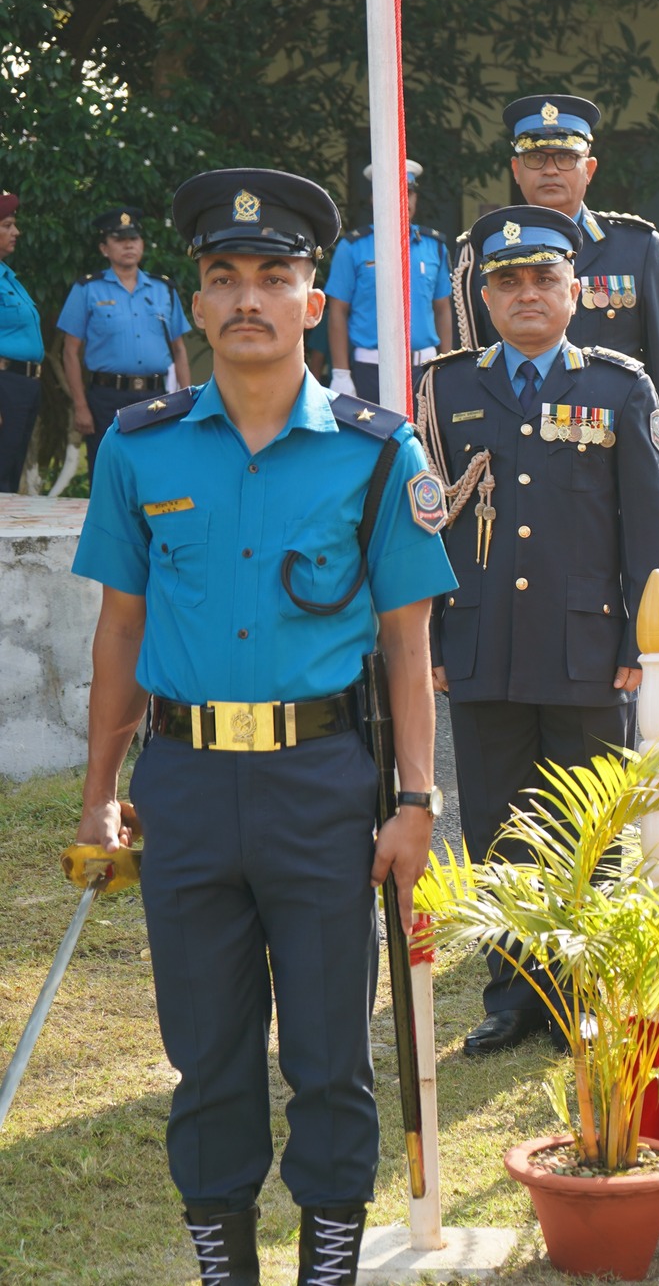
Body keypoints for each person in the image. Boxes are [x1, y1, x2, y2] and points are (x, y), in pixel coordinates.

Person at [69, 168, 456, 1286]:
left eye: (274, 277)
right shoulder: (141, 450)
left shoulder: (381, 452)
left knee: (330, 1057)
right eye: (224, 277)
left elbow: (405, 643)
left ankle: (325, 1270)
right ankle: (224, 1270)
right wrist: (102, 790)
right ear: (193, 304)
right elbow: (118, 634)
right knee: (208, 1058)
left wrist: (416, 801)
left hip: (324, 786)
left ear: (313, 301)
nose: (248, 297)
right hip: (184, 787)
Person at [418, 204, 659, 1055]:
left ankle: (584, 989)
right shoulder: (446, 387)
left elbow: (648, 526)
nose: (526, 294)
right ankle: (514, 992)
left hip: (589, 648)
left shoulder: (618, 385)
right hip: (482, 641)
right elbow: (424, 527)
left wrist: (644, 644)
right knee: (496, 821)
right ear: (486, 297)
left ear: (576, 291)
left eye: (543, 279)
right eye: (508, 281)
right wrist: (428, 643)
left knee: (586, 826)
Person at [451, 95, 659, 524]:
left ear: (589, 168)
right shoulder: (478, 256)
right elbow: (468, 370)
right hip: (508, 474)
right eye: (536, 157)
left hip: (611, 468)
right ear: (515, 170)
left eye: (565, 157)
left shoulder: (637, 248)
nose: (549, 169)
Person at [56, 207, 193, 468]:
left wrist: (185, 399)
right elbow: (70, 351)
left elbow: (179, 349)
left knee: (155, 468)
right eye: (119, 240)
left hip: (156, 397)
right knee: (107, 468)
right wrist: (80, 405)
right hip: (106, 397)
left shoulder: (164, 289)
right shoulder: (87, 289)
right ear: (104, 249)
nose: (128, 245)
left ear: (142, 244)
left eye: (134, 239)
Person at [323, 158, 453, 411]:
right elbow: (337, 311)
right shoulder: (353, 247)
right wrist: (341, 373)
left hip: (425, 369)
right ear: (374, 199)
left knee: (427, 446)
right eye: (392, 192)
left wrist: (446, 365)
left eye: (409, 193)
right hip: (370, 370)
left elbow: (443, 309)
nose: (402, 200)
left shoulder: (434, 246)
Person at [0, 192, 44, 492]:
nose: (15, 232)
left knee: (9, 474)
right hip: (4, 383)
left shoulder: (7, 277)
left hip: (21, 384)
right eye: (7, 225)